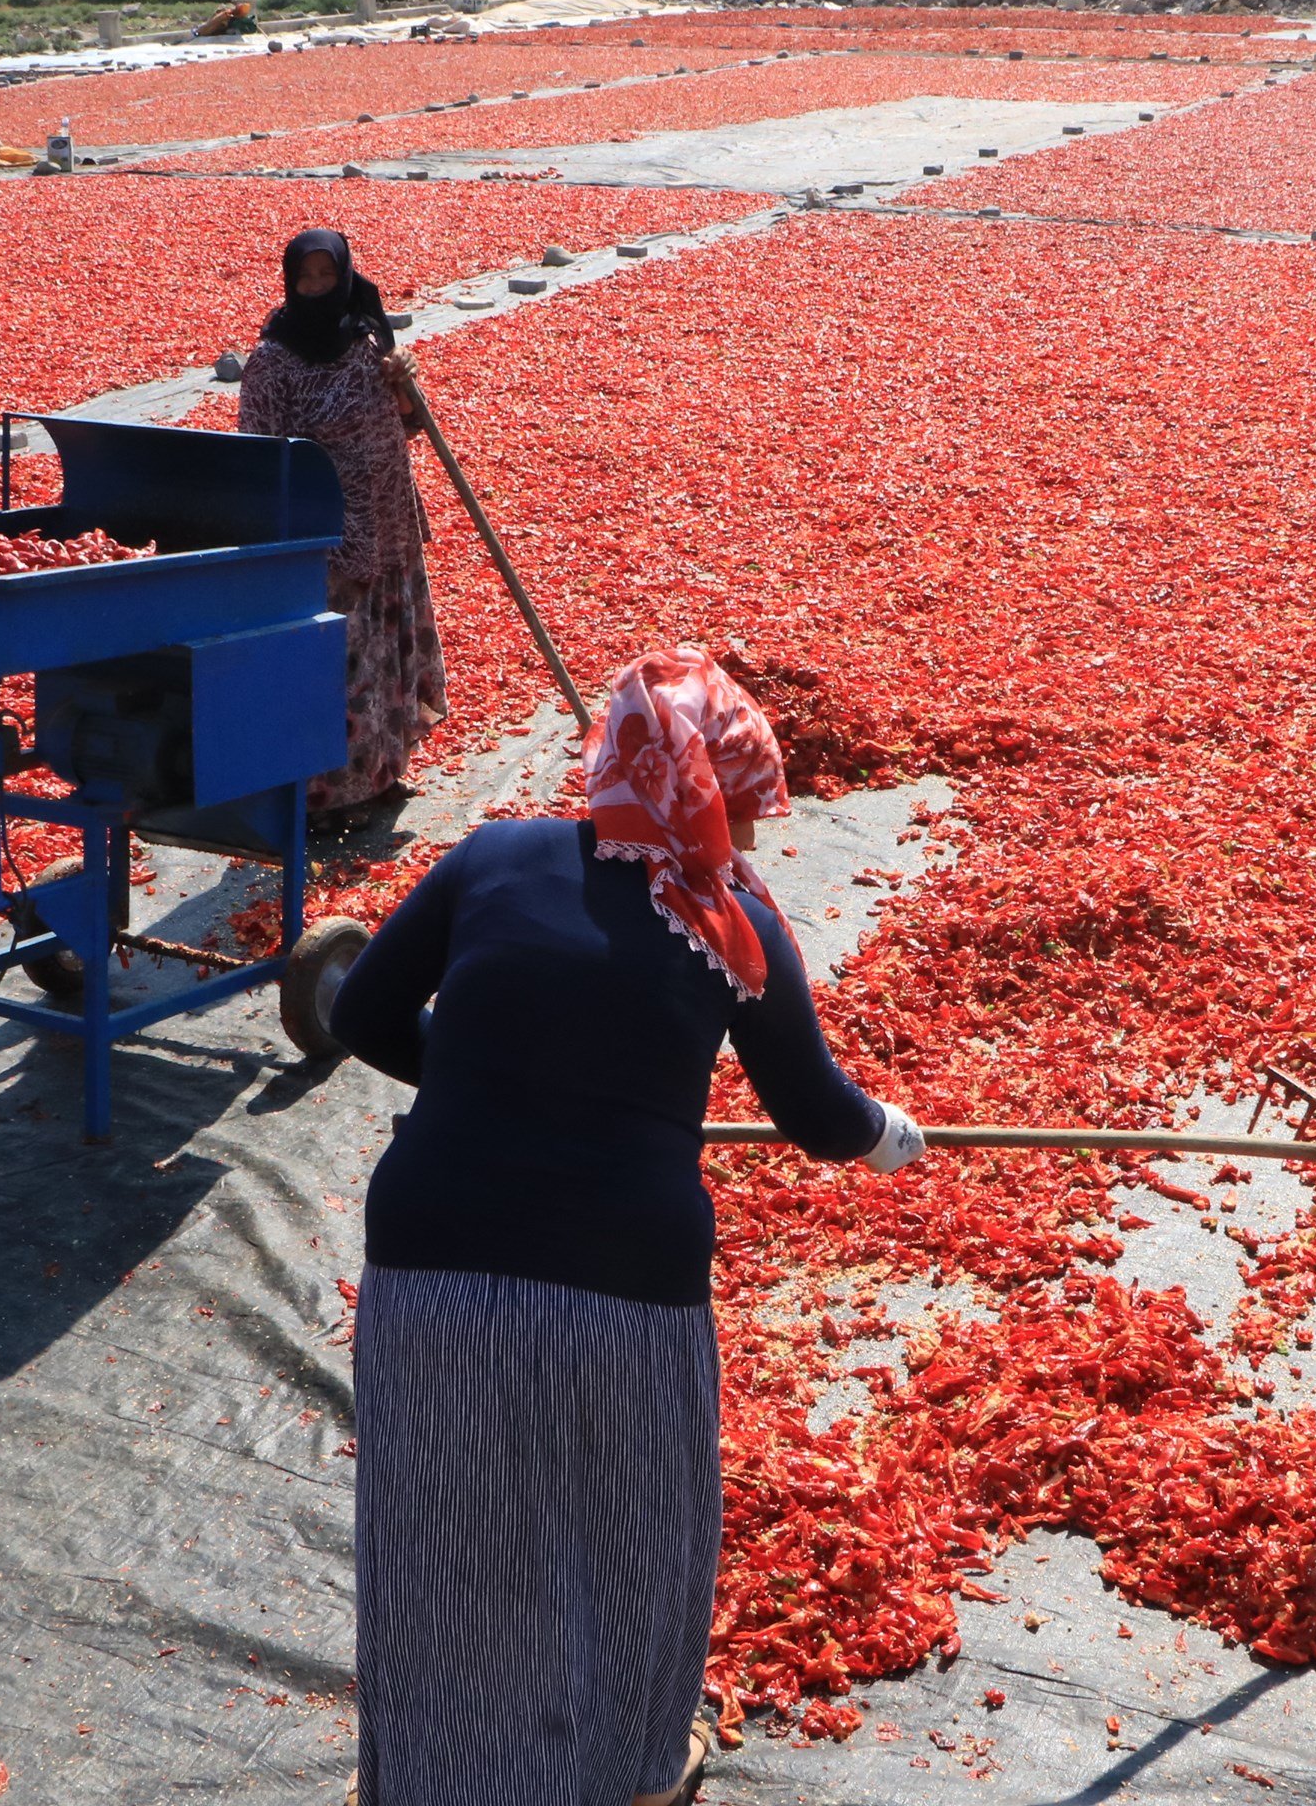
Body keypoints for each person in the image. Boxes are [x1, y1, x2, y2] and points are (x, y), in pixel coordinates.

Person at [326, 648, 927, 1806]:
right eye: (745, 810)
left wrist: (477, 1079)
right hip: (626, 1288)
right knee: (632, 1537)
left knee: (441, 1533)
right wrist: (890, 1132)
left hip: (431, 1260)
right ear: (719, 791)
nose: (746, 838)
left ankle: (421, 1779)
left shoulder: (493, 852)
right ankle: (634, 1777)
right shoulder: (732, 918)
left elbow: (360, 1011)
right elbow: (816, 1115)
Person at [238, 228, 447, 824]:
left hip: (388, 522)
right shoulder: (272, 360)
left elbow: (410, 424)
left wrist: (404, 378)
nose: (317, 288)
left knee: (385, 648)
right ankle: (330, 797)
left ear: (346, 276)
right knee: (341, 659)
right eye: (306, 278)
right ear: (290, 282)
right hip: (327, 533)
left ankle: (384, 772)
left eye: (328, 277)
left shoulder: (367, 337)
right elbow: (260, 452)